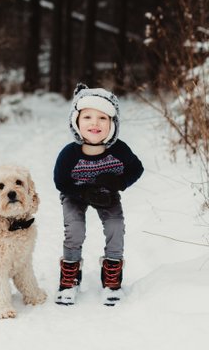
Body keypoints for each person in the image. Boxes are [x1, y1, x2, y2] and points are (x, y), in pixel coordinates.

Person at [53, 83, 144, 305]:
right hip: (75, 193)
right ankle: (70, 276)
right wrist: (83, 193)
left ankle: (112, 275)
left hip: (107, 193)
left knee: (115, 227)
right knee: (75, 229)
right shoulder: (69, 155)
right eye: (87, 117)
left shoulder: (119, 150)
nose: (95, 123)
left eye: (103, 118)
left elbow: (137, 168)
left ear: (113, 123)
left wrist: (119, 182)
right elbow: (60, 182)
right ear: (76, 121)